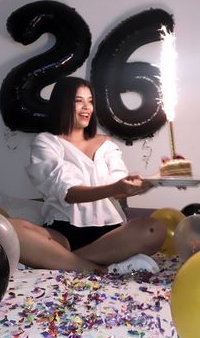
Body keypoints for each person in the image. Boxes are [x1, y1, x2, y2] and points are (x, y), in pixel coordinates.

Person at [9, 76, 166, 274]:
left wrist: (155, 178)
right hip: (64, 234)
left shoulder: (106, 144)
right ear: (62, 104)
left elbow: (119, 190)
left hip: (112, 234)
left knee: (155, 229)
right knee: (9, 229)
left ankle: (56, 259)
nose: (86, 107)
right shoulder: (46, 142)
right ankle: (99, 267)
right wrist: (115, 188)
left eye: (90, 101)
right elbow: (68, 192)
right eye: (78, 101)